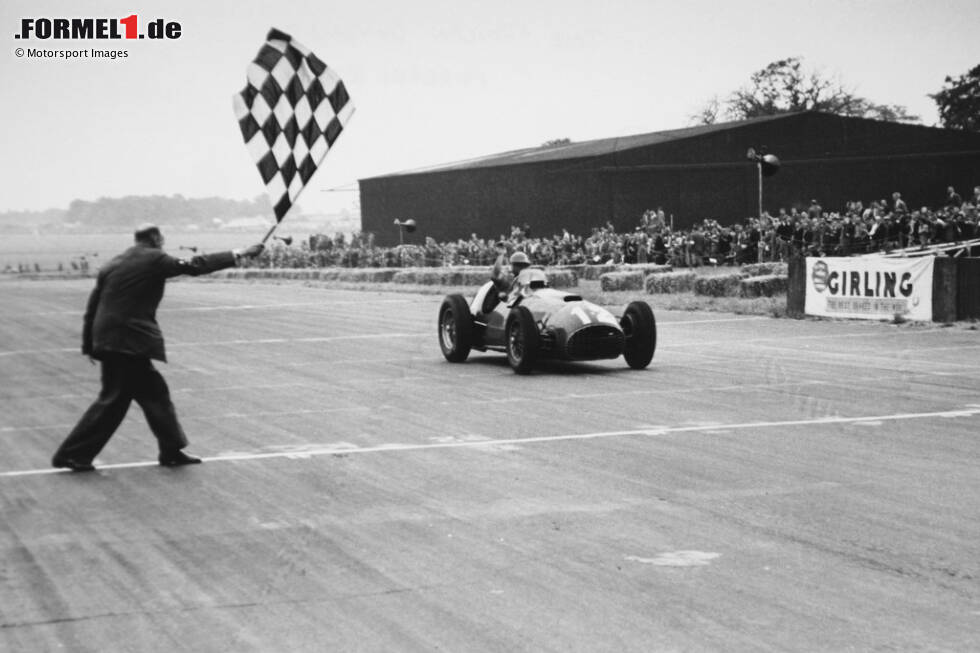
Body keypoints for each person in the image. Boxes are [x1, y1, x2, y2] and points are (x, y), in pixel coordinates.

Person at [51, 224, 264, 472]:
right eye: (161, 238)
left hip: (111, 339)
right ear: (154, 238)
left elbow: (93, 306)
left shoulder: (114, 263)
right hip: (128, 340)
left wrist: (89, 344)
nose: (163, 242)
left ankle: (171, 450)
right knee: (115, 399)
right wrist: (240, 253)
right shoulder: (154, 258)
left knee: (153, 394)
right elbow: (195, 265)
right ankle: (73, 455)